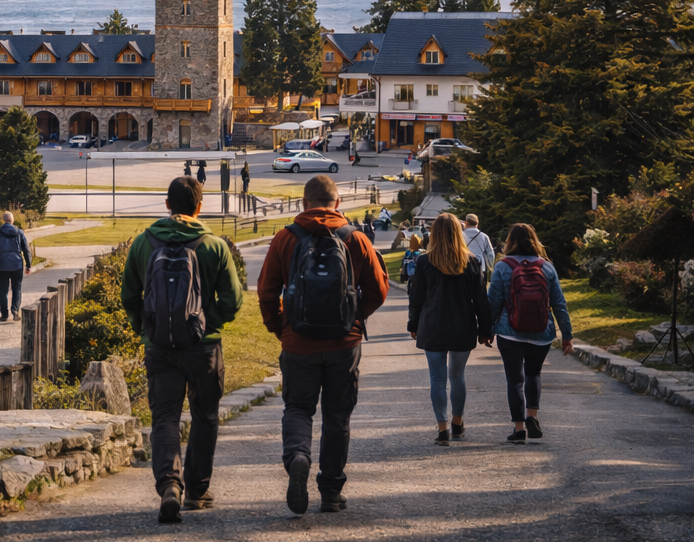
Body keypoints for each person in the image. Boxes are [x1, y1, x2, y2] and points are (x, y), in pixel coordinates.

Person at [259, 174, 388, 516]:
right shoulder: (355, 238)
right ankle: (331, 492)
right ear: (338, 203)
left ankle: (298, 457)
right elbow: (379, 289)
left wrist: (280, 327)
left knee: (298, 408)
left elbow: (267, 291)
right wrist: (354, 317)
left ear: (304, 203)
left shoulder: (285, 238)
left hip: (298, 341)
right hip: (344, 343)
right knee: (337, 415)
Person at [120, 177, 243, 522]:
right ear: (199, 206)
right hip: (204, 347)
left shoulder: (143, 243)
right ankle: (197, 490)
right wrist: (210, 322)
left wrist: (146, 328)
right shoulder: (214, 246)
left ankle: (169, 486)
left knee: (165, 417)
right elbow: (233, 300)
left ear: (167, 205)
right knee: (205, 415)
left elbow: (129, 295)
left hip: (159, 346)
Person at [407, 213, 492, 446]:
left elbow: (416, 298)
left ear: (434, 234)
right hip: (462, 325)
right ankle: (457, 423)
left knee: (437, 379)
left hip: (432, 326)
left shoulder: (424, 262)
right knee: (457, 376)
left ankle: (442, 428)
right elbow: (481, 300)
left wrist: (413, 325)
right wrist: (485, 330)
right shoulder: (471, 261)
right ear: (458, 232)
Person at [489, 224, 574, 445]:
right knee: (534, 373)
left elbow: (493, 302)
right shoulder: (547, 267)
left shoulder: (502, 267)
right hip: (541, 331)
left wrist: (487, 329)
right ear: (534, 240)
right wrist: (567, 334)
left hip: (509, 332)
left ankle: (519, 430)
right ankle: (532, 417)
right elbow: (559, 304)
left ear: (510, 241)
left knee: (514, 380)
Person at [0, 211, 32, 323]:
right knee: (17, 288)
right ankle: (15, 310)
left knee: (3, 290)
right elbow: (26, 250)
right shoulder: (19, 232)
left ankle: (4, 314)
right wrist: (28, 264)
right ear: (12, 220)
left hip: (1, 264)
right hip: (17, 264)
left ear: (3, 220)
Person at [462, 214, 497, 286]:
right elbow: (490, 254)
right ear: (477, 223)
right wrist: (490, 266)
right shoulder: (484, 236)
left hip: (464, 267)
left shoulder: (460, 235)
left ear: (466, 222)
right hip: (481, 267)